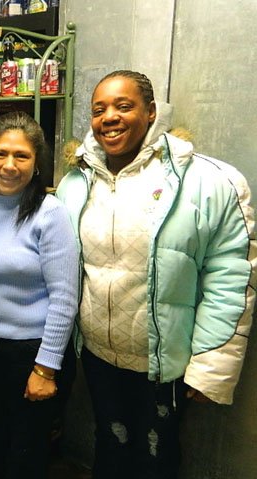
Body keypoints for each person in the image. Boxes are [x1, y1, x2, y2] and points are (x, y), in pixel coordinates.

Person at [55, 70, 257, 479]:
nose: (109, 117)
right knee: (110, 447)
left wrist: (211, 365)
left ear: (150, 113)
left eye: (123, 106)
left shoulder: (209, 181)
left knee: (156, 457)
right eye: (99, 109)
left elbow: (232, 276)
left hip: (164, 363)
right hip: (98, 355)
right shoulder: (76, 182)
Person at [0, 111, 79, 478]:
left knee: (25, 460)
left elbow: (65, 298)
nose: (9, 166)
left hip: (32, 354)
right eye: (0, 154)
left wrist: (45, 369)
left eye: (22, 156)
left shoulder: (51, 214)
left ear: (36, 163)